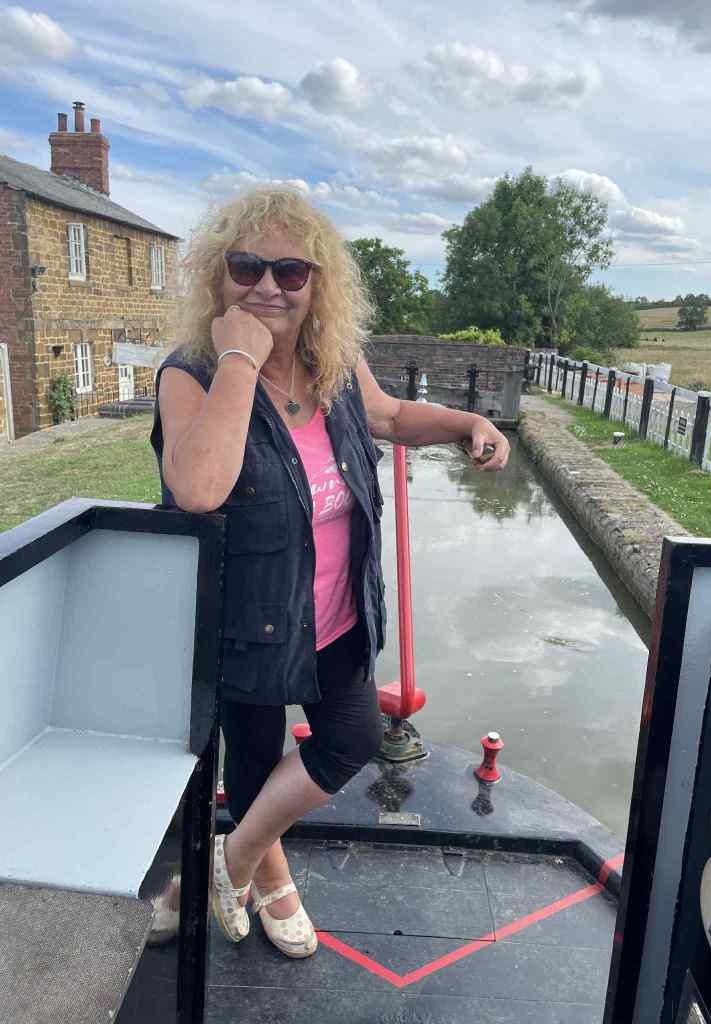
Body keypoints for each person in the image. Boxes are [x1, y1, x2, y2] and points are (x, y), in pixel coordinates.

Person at [148, 187, 510, 957]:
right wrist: (240, 358)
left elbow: (390, 416)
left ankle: (229, 862)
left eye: (290, 271)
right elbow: (199, 487)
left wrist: (467, 423)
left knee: (350, 738)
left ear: (317, 285)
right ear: (218, 275)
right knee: (253, 761)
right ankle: (272, 882)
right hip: (245, 619)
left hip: (336, 613)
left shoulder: (334, 366)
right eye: (246, 267)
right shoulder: (192, 373)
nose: (267, 286)